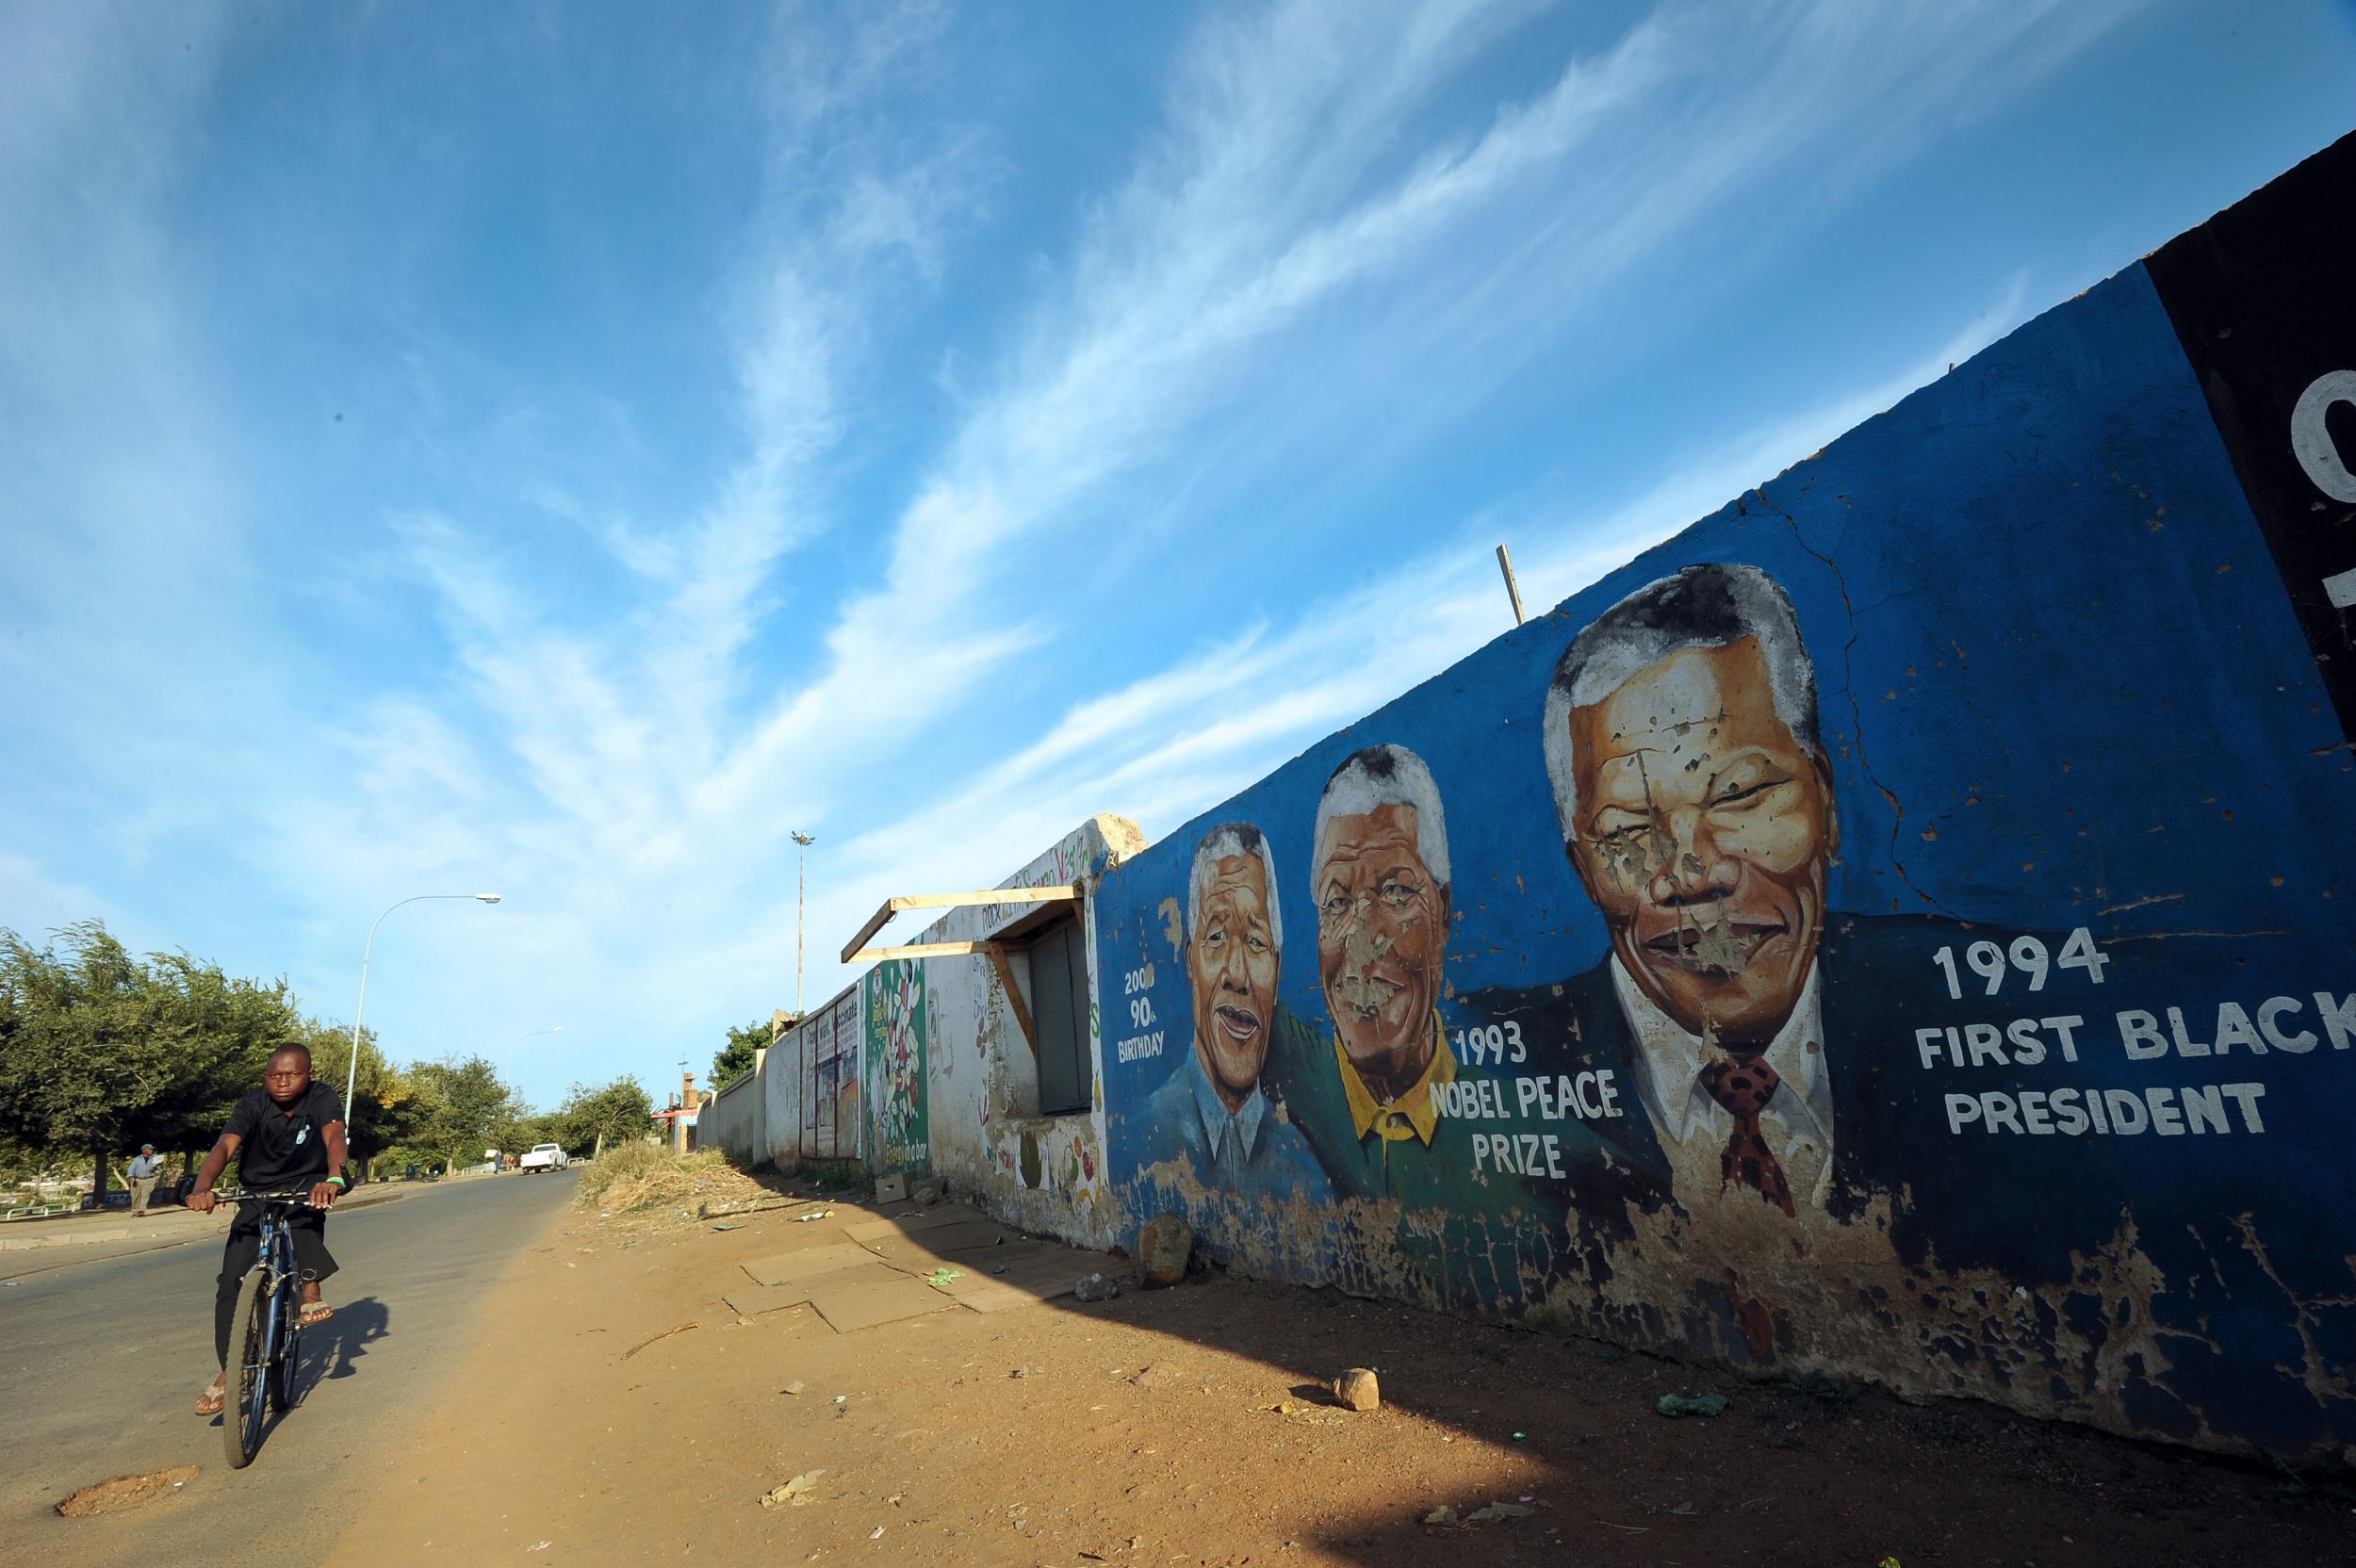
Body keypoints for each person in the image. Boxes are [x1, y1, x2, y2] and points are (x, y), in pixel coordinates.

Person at [1137, 824, 1329, 1203]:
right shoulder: (1145, 1134)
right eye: (1216, 937)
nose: (1238, 975)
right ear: (1190, 960)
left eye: (1256, 941)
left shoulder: (1307, 1174)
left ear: (1277, 969)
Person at [187, 1044, 347, 1416]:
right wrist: (202, 1186)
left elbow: (334, 1137)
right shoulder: (252, 1104)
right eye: (275, 1075)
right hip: (255, 1192)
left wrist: (335, 1176)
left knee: (305, 1215)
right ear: (265, 1077)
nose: (283, 1082)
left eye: (292, 1074)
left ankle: (310, 1291)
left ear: (309, 1074)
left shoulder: (322, 1098)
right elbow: (225, 1146)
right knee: (230, 1283)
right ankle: (232, 1368)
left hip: (307, 1185)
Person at [127, 1144, 163, 1217]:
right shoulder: (137, 1159)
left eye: (152, 1149)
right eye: (149, 1149)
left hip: (149, 1179)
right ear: (144, 1151)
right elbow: (131, 1168)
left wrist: (154, 1166)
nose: (151, 1150)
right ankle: (135, 1211)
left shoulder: (155, 1158)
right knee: (135, 1196)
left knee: (145, 1196)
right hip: (137, 1179)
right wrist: (131, 1176)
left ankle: (141, 1211)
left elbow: (159, 1169)